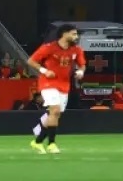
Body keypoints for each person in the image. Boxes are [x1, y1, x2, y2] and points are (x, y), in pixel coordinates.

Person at [27, 23, 85, 154]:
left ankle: (37, 142)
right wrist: (44, 70)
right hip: (48, 83)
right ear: (64, 34)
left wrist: (81, 71)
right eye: (74, 34)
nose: (76, 37)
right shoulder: (49, 47)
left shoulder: (76, 50)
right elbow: (31, 61)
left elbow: (82, 65)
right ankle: (51, 144)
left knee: (55, 114)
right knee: (55, 110)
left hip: (64, 85)